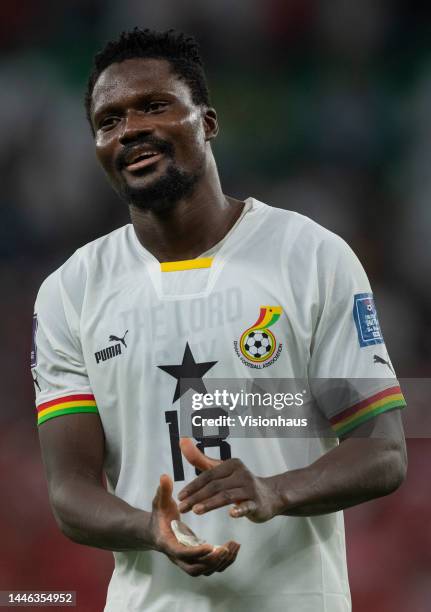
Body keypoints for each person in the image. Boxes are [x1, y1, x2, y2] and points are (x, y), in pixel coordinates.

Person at [31, 28, 407, 612]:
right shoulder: (71, 291)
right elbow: (69, 491)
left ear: (207, 121)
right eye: (109, 121)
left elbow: (383, 450)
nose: (131, 129)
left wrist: (274, 490)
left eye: (155, 106)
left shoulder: (310, 257)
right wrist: (147, 528)